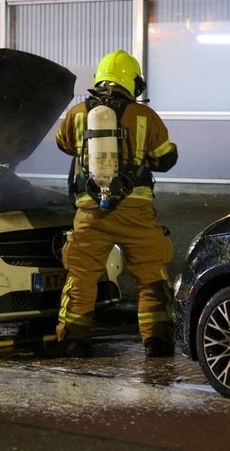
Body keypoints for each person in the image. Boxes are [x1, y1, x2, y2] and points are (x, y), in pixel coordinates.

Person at [50, 50, 179, 359]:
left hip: (90, 212)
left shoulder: (79, 113)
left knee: (81, 277)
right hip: (135, 213)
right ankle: (157, 343)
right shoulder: (145, 116)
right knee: (151, 278)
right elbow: (165, 159)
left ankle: (74, 342)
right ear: (131, 82)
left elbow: (63, 143)